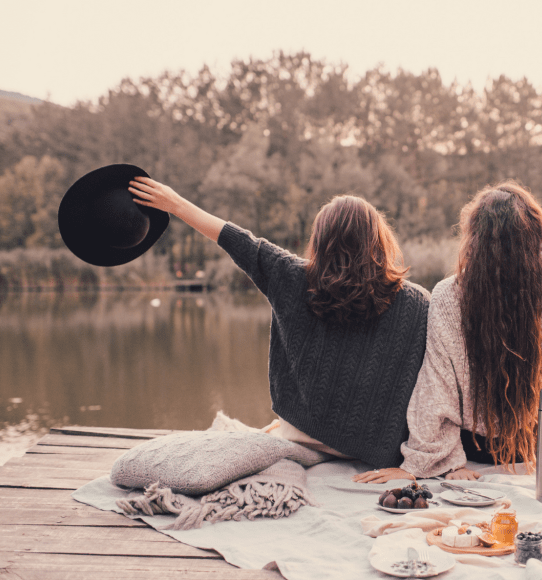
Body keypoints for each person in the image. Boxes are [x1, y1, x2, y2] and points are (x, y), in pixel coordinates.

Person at [353, 58, 542, 483]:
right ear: (534, 235)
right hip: (533, 445)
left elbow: (435, 387)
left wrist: (438, 464)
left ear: (472, 239)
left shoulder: (446, 295)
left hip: (473, 450)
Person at [128, 181, 430, 470]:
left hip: (304, 436)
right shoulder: (418, 302)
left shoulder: (292, 277)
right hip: (375, 448)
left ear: (321, 240)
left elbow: (237, 240)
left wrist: (175, 204)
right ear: (379, 239)